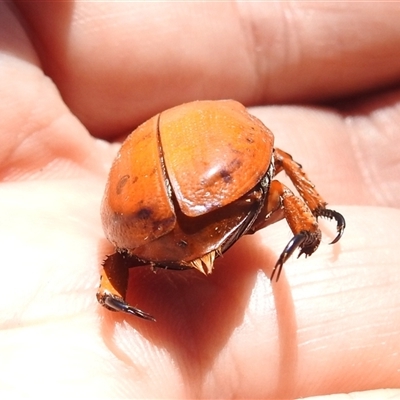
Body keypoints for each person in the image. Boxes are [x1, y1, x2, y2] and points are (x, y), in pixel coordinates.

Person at [1, 2, 399, 399]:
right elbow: (280, 166)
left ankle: (116, 291)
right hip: (180, 211)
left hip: (150, 223)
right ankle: (306, 222)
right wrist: (308, 217)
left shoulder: (220, 135)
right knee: (275, 187)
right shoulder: (238, 131)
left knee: (138, 247)